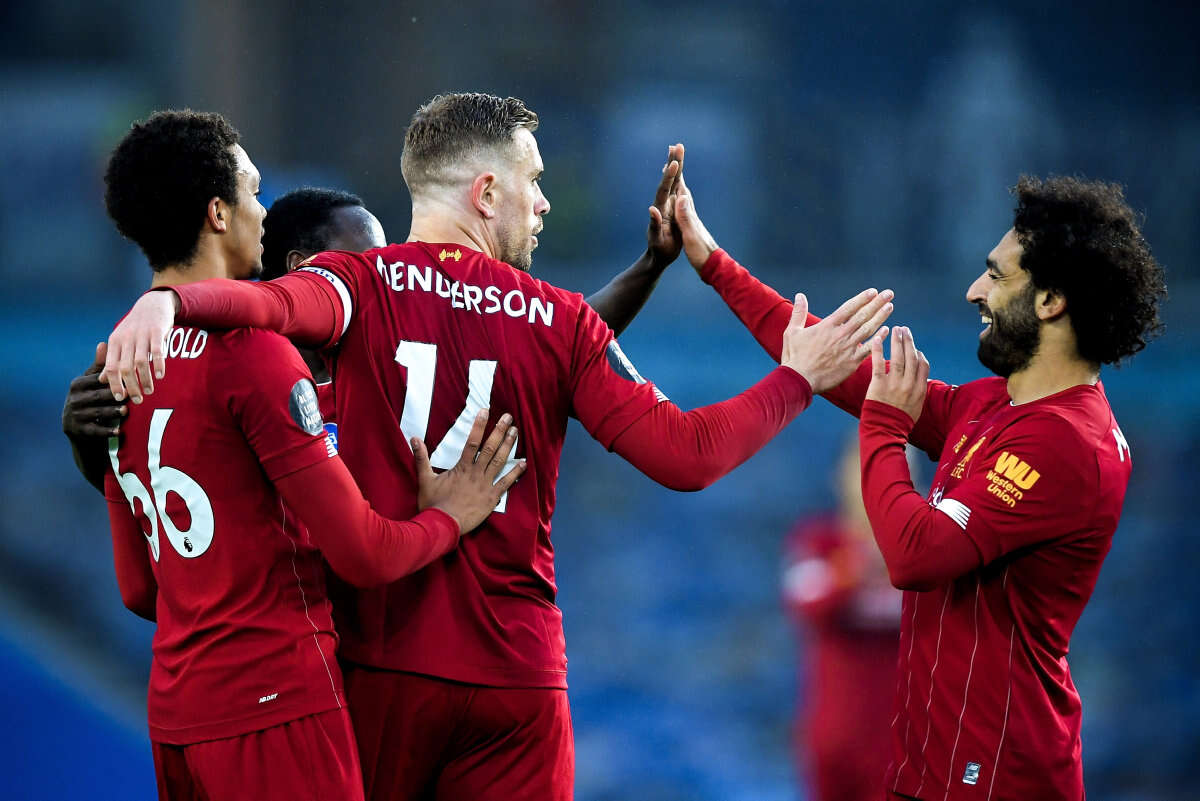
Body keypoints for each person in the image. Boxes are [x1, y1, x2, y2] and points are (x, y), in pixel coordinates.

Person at [98, 92, 894, 801]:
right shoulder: (559, 321)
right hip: (516, 682)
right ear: (485, 193)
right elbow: (688, 455)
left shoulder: (357, 284)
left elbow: (267, 309)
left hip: (381, 672)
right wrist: (796, 378)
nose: (544, 202)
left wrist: (168, 303)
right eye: (533, 181)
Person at [671, 172, 1166, 800]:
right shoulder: (1000, 406)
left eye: (997, 276)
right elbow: (831, 365)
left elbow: (915, 556)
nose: (974, 291)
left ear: (1050, 301)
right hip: (938, 767)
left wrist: (884, 423)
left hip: (997, 776)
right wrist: (713, 264)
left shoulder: (1067, 443)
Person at [98, 109, 525, 801]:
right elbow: (364, 553)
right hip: (277, 707)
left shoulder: (118, 360)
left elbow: (140, 590)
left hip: (178, 719)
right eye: (252, 191)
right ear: (217, 214)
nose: (263, 212)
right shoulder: (254, 354)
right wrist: (451, 514)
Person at [64, 158, 691, 487]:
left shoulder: (396, 361)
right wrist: (92, 445)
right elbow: (175, 505)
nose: (386, 277)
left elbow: (556, 337)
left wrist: (650, 266)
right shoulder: (240, 372)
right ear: (306, 268)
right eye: (365, 263)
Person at [782, 433, 903, 801]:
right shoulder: (820, 541)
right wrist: (857, 566)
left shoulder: (926, 551)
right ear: (842, 476)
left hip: (898, 741)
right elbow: (805, 601)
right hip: (833, 737)